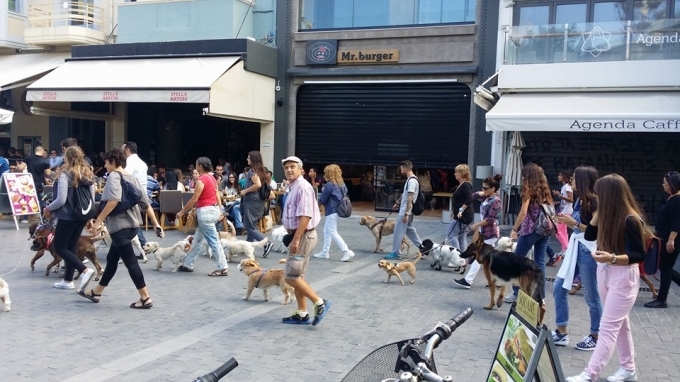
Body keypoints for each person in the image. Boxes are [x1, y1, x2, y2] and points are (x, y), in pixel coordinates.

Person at [566, 174, 650, 382]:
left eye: (600, 193)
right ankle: (629, 368)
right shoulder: (608, 215)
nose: (596, 196)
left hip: (623, 276)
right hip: (606, 271)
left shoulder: (630, 219)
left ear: (610, 195)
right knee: (620, 324)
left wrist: (612, 257)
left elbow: (639, 255)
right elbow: (590, 235)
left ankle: (590, 374)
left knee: (608, 327)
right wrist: (600, 212)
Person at [80, 148, 164, 308]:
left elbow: (113, 200)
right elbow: (146, 204)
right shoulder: (132, 178)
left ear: (113, 162)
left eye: (106, 162)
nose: (105, 165)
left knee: (131, 262)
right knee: (112, 260)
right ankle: (97, 292)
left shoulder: (114, 176)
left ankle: (145, 298)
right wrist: (156, 223)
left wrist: (98, 221)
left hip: (120, 227)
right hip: (133, 226)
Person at [552, 166, 602, 351]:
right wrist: (567, 221)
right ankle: (561, 330)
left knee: (591, 295)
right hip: (576, 248)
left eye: (574, 178)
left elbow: (594, 231)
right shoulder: (581, 201)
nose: (571, 180)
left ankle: (596, 335)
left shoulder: (594, 202)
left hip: (588, 250)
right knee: (558, 287)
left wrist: (573, 223)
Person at [280, 155, 331, 325]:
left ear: (301, 169)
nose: (289, 170)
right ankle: (302, 313)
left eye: (292, 166)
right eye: (286, 167)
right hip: (299, 236)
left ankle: (319, 302)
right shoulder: (294, 186)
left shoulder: (302, 187)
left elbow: (306, 215)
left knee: (289, 276)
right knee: (298, 276)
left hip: (302, 236)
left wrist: (295, 239)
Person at [43, 146, 97, 291]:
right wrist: (89, 217)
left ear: (66, 158)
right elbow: (91, 197)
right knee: (71, 246)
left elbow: (61, 199)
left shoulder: (65, 174)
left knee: (60, 247)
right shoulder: (88, 173)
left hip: (68, 215)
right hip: (83, 213)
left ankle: (84, 270)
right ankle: (68, 280)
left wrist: (48, 208)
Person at [507, 163, 553, 303]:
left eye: (523, 176)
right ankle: (541, 297)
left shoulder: (528, 190)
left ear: (528, 177)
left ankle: (517, 293)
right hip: (544, 229)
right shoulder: (545, 190)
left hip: (530, 230)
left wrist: (514, 229)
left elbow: (523, 212)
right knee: (540, 263)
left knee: (516, 261)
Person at [177, 157, 229, 276]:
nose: (195, 166)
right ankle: (188, 263)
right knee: (198, 240)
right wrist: (220, 209)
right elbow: (217, 194)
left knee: (213, 241)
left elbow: (194, 199)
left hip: (205, 212)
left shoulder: (201, 180)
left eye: (196, 164)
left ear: (200, 166)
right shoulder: (212, 178)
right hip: (214, 209)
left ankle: (222, 267)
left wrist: (182, 212)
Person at [453, 174, 503, 289]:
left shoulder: (496, 201)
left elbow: (490, 219)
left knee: (479, 256)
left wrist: (476, 225)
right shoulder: (487, 197)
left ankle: (468, 280)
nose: (483, 190)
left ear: (493, 189)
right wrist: (480, 193)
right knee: (490, 258)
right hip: (485, 232)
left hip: (491, 232)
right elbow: (472, 197)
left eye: (486, 188)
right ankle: (497, 280)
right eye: (483, 187)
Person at [645, 171, 680, 308]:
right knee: (665, 267)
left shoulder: (677, 200)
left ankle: (662, 299)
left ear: (672, 184)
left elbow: (677, 222)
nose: (663, 185)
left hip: (670, 240)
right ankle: (662, 298)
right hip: (663, 237)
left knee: (665, 268)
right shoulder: (672, 198)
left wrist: (671, 240)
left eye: (665, 183)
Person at [314, 164, 356, 262]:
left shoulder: (329, 184)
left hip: (332, 210)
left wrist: (315, 208)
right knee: (326, 231)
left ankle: (346, 251)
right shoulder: (342, 184)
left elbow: (322, 199)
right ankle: (325, 252)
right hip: (339, 210)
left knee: (332, 232)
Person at [385, 160, 424, 260]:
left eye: (401, 168)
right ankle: (422, 247)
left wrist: (406, 213)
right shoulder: (411, 179)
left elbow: (410, 197)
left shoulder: (411, 181)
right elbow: (405, 194)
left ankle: (396, 253)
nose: (400, 170)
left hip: (406, 211)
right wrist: (398, 203)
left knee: (398, 230)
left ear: (405, 169)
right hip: (406, 210)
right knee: (409, 229)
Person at [239, 151, 273, 257]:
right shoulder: (261, 171)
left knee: (248, 226)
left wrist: (245, 191)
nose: (247, 159)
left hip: (251, 202)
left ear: (253, 159)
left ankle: (266, 243)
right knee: (252, 225)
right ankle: (248, 247)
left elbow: (257, 185)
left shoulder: (252, 171)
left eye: (248, 158)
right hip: (258, 202)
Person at [122, 141, 148, 248]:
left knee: (132, 221)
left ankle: (143, 244)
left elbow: (125, 175)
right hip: (142, 194)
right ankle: (142, 245)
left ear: (127, 150)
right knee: (133, 220)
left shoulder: (130, 161)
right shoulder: (142, 163)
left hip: (133, 195)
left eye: (123, 150)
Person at [446, 164, 474, 252]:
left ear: (462, 173)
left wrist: (461, 210)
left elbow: (470, 198)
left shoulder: (465, 185)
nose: (455, 174)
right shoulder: (463, 184)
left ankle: (456, 256)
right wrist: (454, 211)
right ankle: (462, 257)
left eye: (457, 172)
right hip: (463, 214)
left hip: (463, 215)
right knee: (461, 237)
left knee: (451, 234)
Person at [549, 171, 574, 266]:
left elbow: (571, 200)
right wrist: (558, 199)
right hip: (564, 210)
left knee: (557, 231)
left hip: (566, 212)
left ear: (564, 177)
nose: (558, 177)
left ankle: (567, 249)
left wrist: (560, 195)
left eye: (560, 175)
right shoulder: (564, 187)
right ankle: (564, 250)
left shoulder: (567, 187)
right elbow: (565, 200)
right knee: (563, 232)